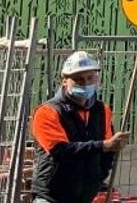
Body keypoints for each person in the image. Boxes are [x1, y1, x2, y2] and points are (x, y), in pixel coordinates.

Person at [31, 51, 128, 203]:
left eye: (90, 78)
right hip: (52, 197)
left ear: (97, 78)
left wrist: (98, 176)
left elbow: (109, 151)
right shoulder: (47, 112)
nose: (85, 83)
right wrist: (103, 146)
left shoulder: (102, 110)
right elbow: (60, 151)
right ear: (64, 80)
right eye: (78, 79)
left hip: (85, 196)